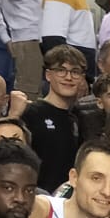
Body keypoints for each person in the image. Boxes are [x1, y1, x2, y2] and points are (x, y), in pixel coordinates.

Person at [20, 45, 92, 190]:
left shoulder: (81, 118)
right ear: (48, 75)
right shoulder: (31, 113)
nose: (68, 77)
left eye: (75, 72)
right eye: (61, 70)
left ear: (82, 78)